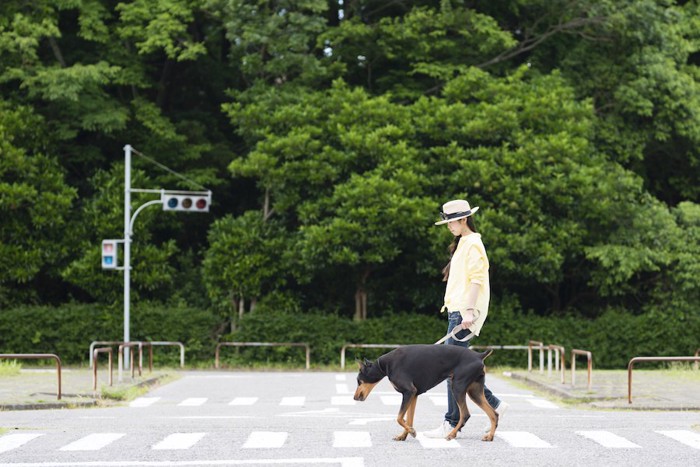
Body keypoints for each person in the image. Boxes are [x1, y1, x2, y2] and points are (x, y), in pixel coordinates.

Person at [423, 199, 509, 438]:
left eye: (452, 222)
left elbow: (476, 280)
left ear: (464, 219)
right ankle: (496, 405)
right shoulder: (463, 243)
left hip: (463, 313)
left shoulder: (473, 244)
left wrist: (469, 311)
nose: (449, 226)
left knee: (452, 370)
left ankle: (451, 422)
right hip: (457, 311)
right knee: (460, 370)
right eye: (447, 222)